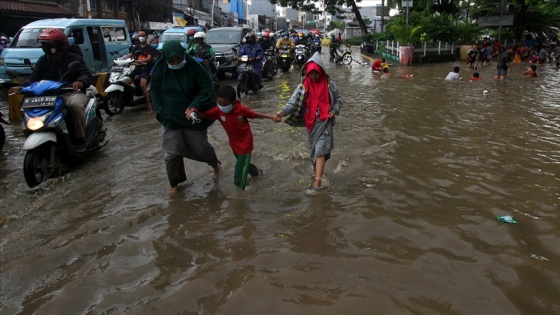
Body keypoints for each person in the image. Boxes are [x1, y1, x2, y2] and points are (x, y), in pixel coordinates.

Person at [149, 40, 221, 193]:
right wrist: (161, 110)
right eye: (172, 61)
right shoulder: (160, 69)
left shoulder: (195, 67)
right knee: (171, 153)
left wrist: (194, 105)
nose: (175, 63)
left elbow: (206, 89)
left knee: (201, 148)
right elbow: (154, 91)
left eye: (178, 60)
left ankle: (215, 164)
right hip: (170, 116)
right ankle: (174, 185)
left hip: (193, 115)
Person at [186, 85, 280, 190]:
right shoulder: (218, 111)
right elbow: (204, 115)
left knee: (239, 173)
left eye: (224, 104)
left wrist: (271, 117)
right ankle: (257, 173)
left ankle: (239, 193)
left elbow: (254, 114)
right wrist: (192, 113)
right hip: (234, 145)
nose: (221, 106)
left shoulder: (241, 110)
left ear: (234, 102)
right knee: (245, 165)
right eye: (219, 104)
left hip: (245, 145)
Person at [275, 52, 343, 196]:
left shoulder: (330, 85)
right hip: (310, 124)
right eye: (310, 74)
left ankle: (317, 183)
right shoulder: (302, 87)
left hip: (325, 122)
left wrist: (334, 110)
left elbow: (338, 100)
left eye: (316, 73)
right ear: (306, 73)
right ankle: (319, 175)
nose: (313, 76)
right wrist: (281, 113)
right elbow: (292, 104)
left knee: (320, 149)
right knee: (314, 151)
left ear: (321, 72)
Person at [23, 28, 92, 152]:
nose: (48, 48)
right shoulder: (43, 60)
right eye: (45, 45)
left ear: (60, 44)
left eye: (50, 45)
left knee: (75, 105)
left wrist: (80, 81)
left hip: (70, 93)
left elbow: (86, 74)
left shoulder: (74, 58)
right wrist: (23, 86)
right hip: (48, 95)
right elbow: (34, 77)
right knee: (27, 106)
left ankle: (80, 138)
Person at [126, 29, 156, 112]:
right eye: (139, 36)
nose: (140, 37)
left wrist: (139, 61)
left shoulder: (150, 48)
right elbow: (130, 55)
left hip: (145, 69)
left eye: (142, 36)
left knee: (143, 85)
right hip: (136, 68)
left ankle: (149, 105)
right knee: (126, 80)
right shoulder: (136, 47)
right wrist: (122, 59)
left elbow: (149, 58)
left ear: (146, 37)